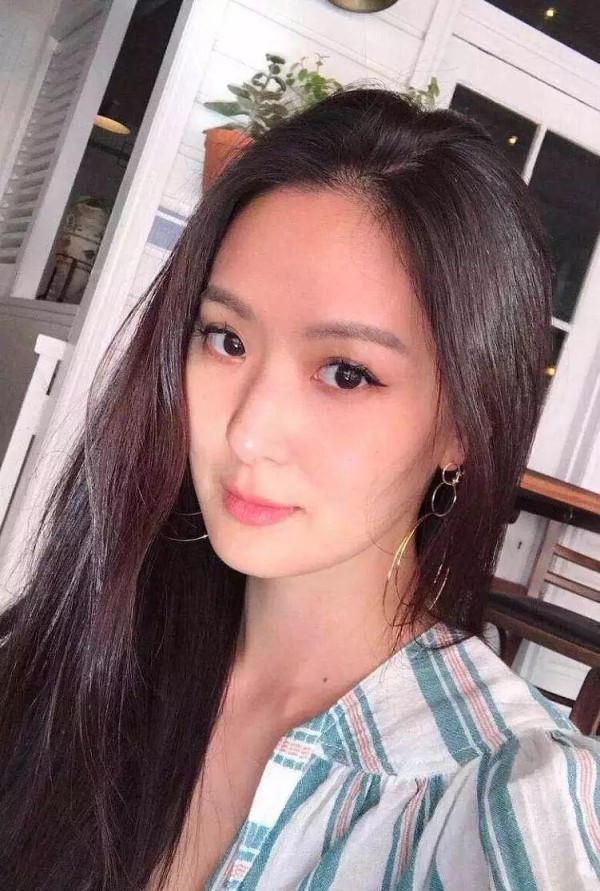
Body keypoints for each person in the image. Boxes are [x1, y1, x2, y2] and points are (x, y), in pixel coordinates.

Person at [0, 86, 598, 891]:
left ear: (463, 424)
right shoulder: (89, 649)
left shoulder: (501, 803)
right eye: (226, 338)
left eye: (346, 372)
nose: (248, 433)